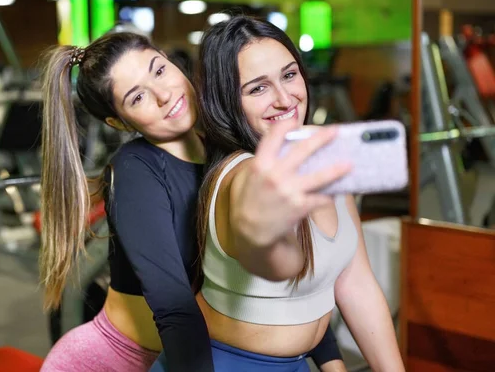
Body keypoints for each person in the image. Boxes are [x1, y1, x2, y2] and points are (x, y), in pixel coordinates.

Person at [38, 30, 346, 372]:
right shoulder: (136, 169)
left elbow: (297, 278)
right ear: (119, 122)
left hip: (209, 355)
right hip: (117, 360)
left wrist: (330, 361)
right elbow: (174, 307)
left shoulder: (229, 152)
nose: (164, 94)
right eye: (137, 97)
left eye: (159, 70)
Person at [151, 16, 405, 371]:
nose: (285, 99)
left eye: (289, 75)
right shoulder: (243, 175)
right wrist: (264, 236)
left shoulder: (323, 160)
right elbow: (267, 254)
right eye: (258, 88)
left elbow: (357, 284)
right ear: (228, 103)